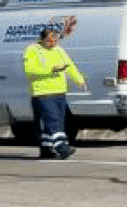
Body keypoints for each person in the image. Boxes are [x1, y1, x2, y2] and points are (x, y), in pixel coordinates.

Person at [24, 26, 86, 160]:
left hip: (59, 92)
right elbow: (30, 70)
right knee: (53, 122)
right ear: (42, 39)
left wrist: (79, 80)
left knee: (54, 123)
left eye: (55, 40)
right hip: (43, 93)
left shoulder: (58, 50)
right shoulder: (33, 50)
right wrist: (52, 70)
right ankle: (62, 148)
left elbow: (69, 65)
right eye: (49, 41)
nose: (52, 44)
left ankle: (46, 150)